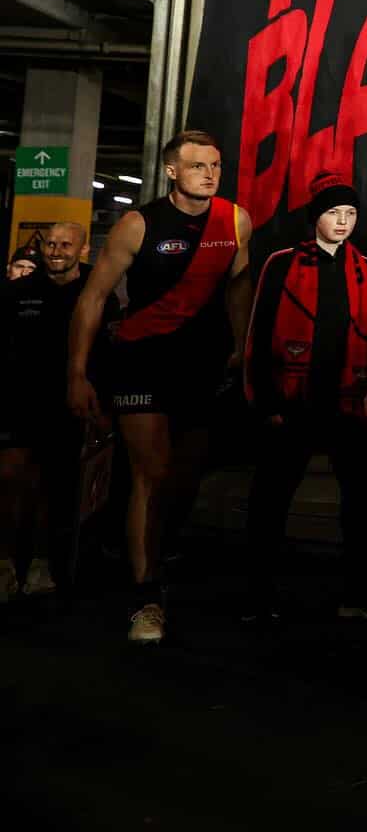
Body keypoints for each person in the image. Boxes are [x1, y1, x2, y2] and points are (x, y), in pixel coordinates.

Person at [69, 130, 254, 644]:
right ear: (172, 171)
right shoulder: (138, 223)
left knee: (183, 477)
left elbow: (240, 285)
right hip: (141, 361)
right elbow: (92, 298)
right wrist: (77, 373)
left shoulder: (235, 220)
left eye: (215, 165)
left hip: (201, 366)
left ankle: (140, 546)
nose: (209, 175)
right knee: (151, 473)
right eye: (197, 166)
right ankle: (146, 598)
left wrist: (242, 345)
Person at [242, 177, 367, 622]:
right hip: (293, 402)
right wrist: (266, 402)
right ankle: (257, 596)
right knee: (270, 499)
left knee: (361, 501)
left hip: (348, 402)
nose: (343, 222)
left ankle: (358, 592)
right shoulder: (282, 264)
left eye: (350, 214)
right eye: (333, 213)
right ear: (315, 217)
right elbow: (259, 332)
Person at [0, 223, 111, 602]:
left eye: (65, 244)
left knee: (55, 486)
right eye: (50, 243)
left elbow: (107, 351)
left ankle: (42, 563)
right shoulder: (17, 292)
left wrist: (101, 403)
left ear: (83, 249)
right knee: (11, 477)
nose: (56, 251)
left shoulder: (98, 290)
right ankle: (6, 563)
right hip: (19, 401)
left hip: (69, 403)